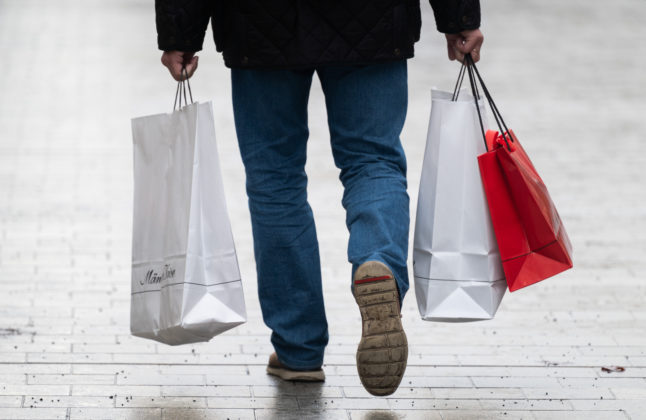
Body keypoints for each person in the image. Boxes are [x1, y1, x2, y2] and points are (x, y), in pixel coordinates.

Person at [155, 0, 483, 396]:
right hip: (371, 19)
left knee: (275, 179)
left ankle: (299, 349)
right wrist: (459, 17)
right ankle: (377, 260)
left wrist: (180, 32)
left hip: (260, 24)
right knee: (372, 159)